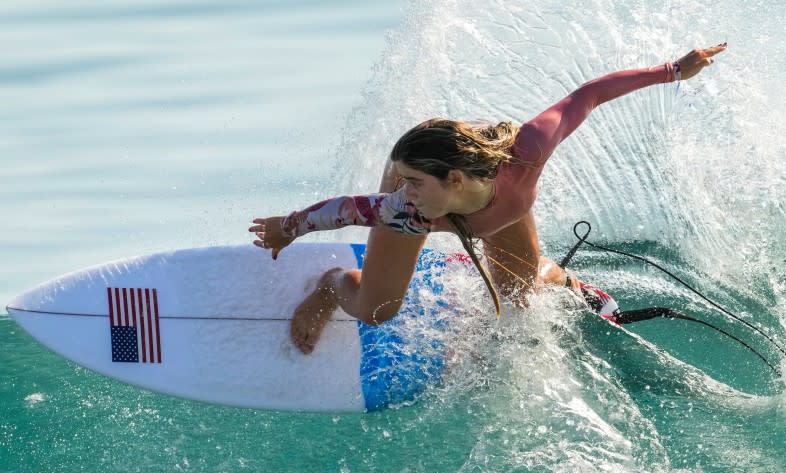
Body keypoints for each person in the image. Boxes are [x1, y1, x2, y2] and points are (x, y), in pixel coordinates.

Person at [250, 43, 728, 354]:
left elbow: (589, 95)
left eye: (412, 182)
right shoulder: (405, 205)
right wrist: (287, 228)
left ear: (455, 181)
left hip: (481, 181)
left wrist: (671, 71)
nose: (401, 191)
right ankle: (333, 286)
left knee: (523, 295)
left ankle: (572, 285)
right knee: (379, 311)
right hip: (441, 165)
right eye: (403, 182)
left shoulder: (527, 152)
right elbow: (343, 210)